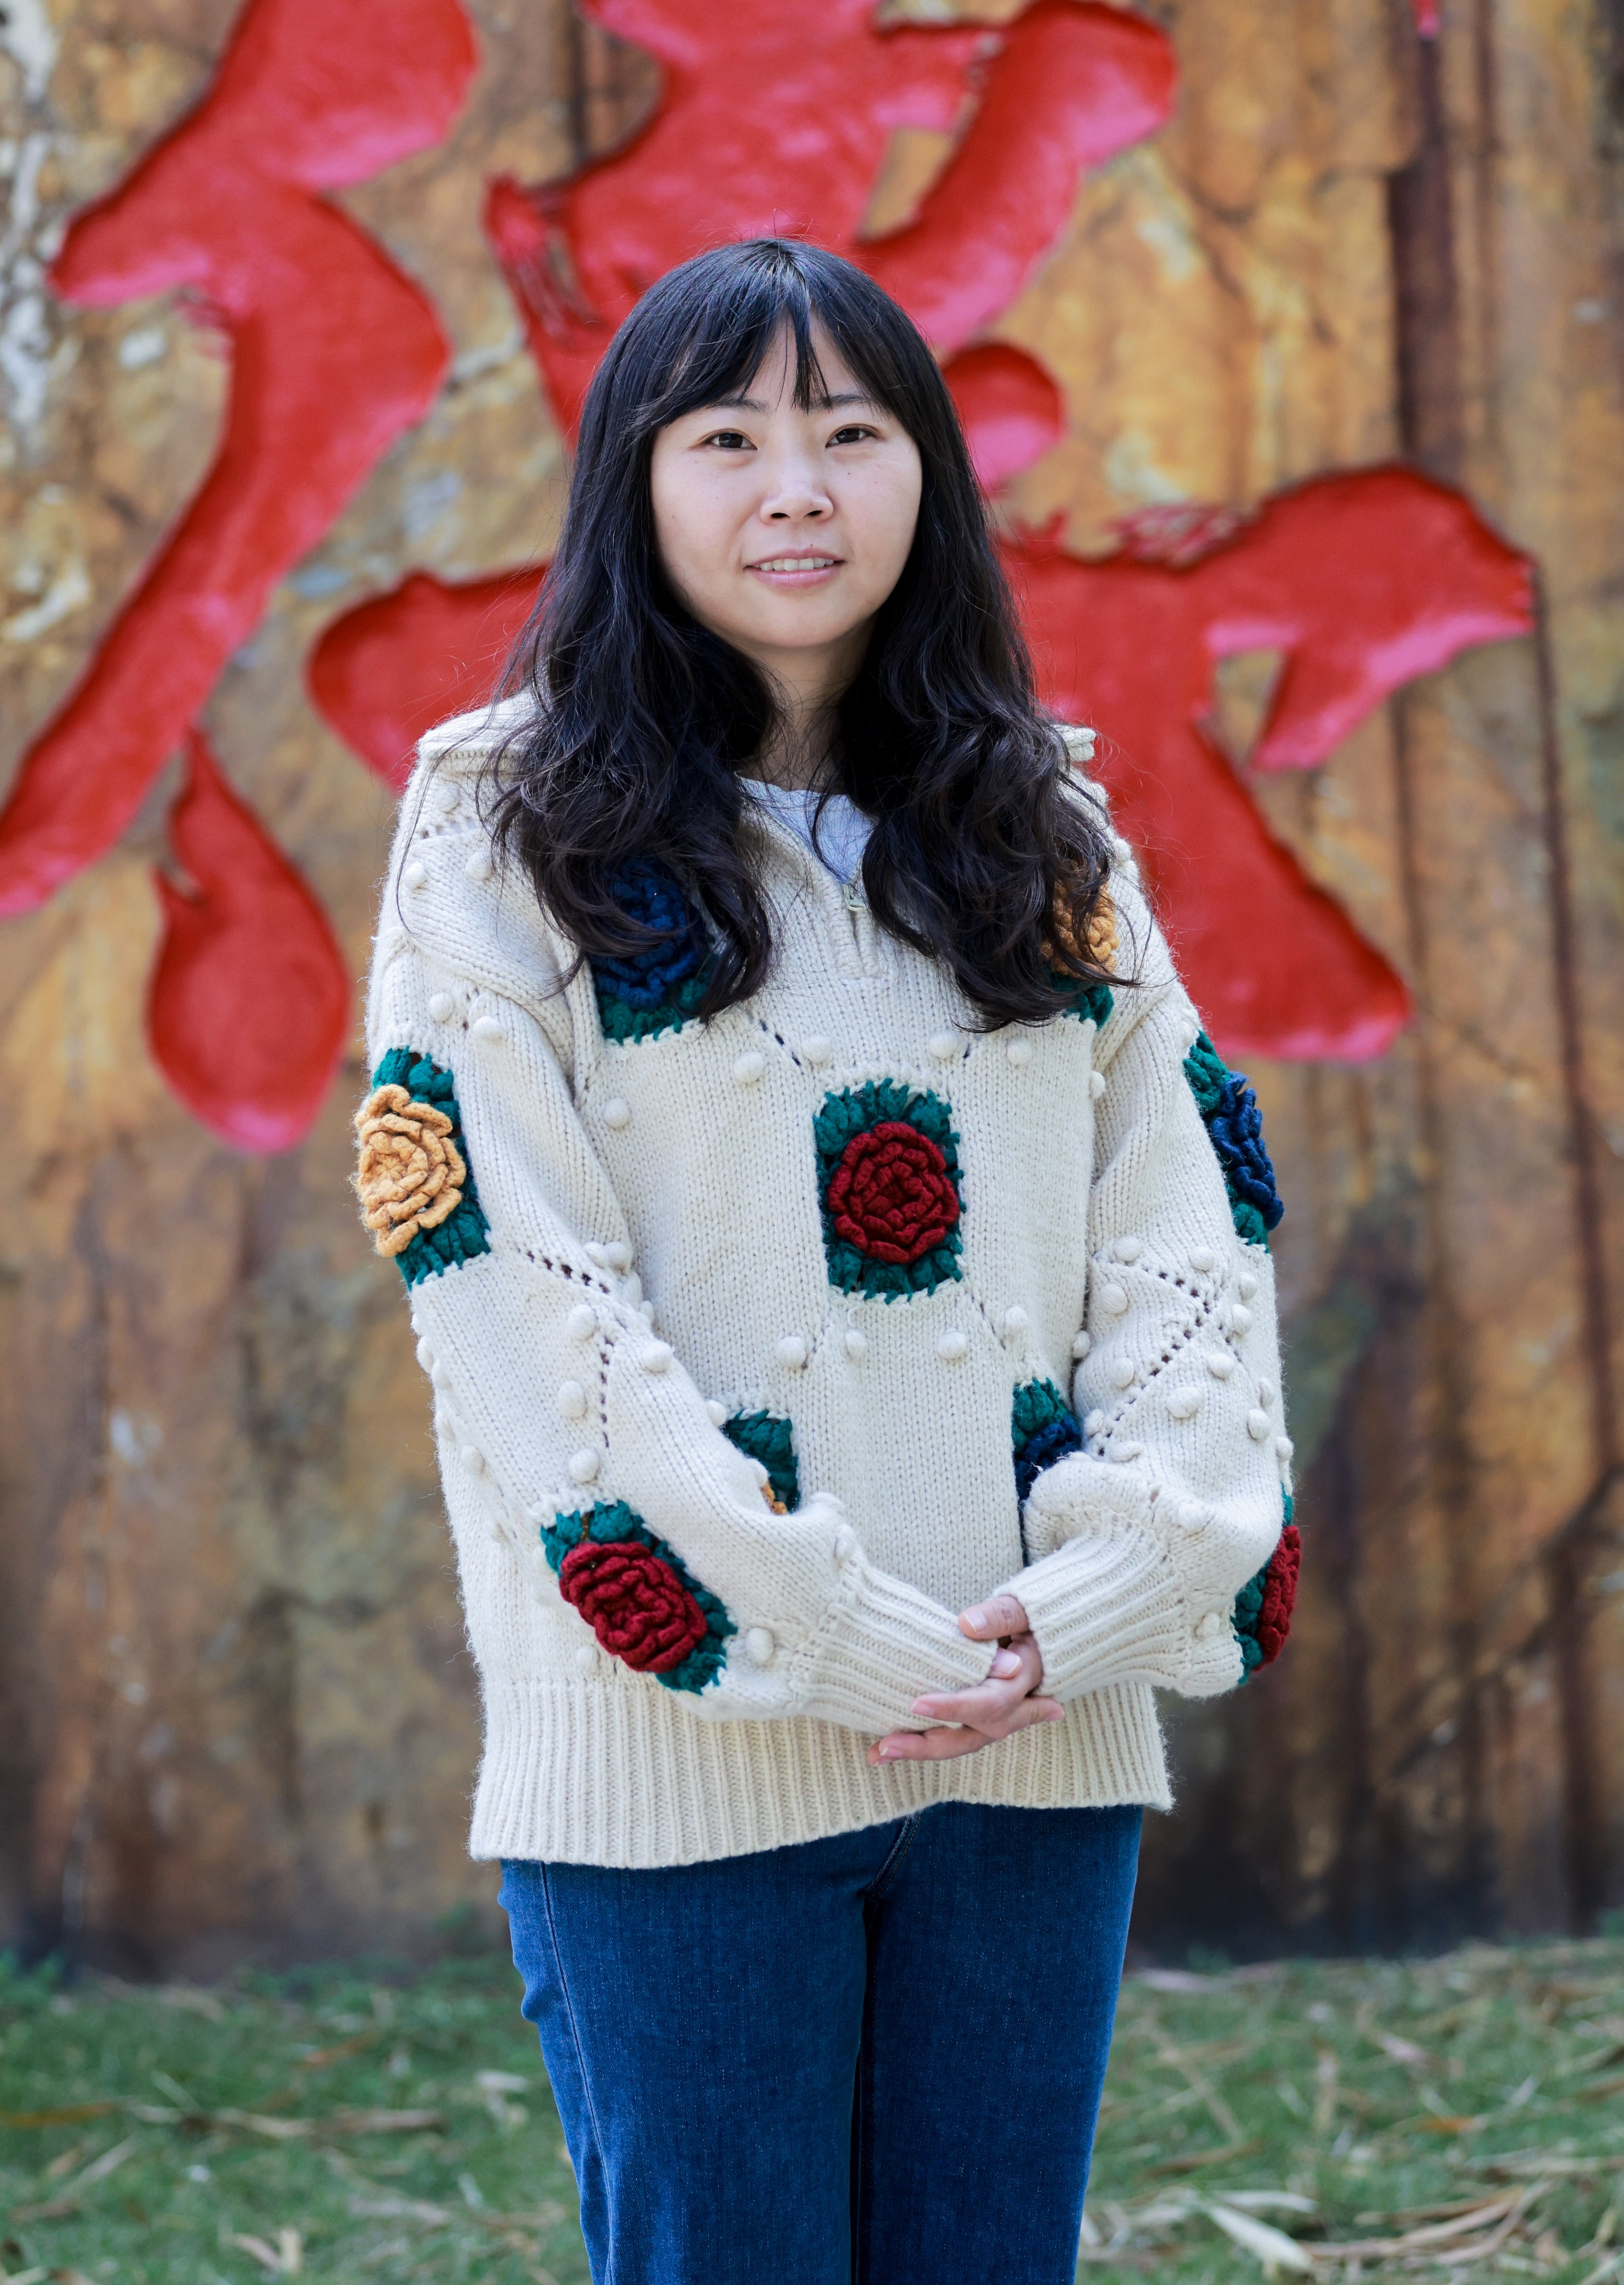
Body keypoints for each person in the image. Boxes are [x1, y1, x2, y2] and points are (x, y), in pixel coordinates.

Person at [355, 236, 1292, 2285]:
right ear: (633, 483)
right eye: (727, 440)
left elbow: (1188, 1222)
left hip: (1029, 1731)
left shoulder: (1040, 828)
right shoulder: (505, 828)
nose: (796, 491)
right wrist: (819, 1623)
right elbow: (504, 1278)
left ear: (922, 478)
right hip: (678, 1754)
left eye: (850, 434)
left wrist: (1104, 1586)